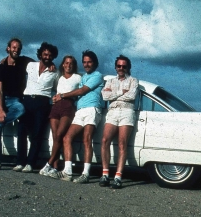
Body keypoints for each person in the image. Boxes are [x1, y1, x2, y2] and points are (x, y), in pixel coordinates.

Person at [49, 50, 104, 183]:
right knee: (67, 137)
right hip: (80, 110)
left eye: (89, 62)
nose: (86, 64)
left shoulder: (98, 75)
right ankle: (67, 171)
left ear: (95, 63)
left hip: (92, 109)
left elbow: (82, 91)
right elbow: (71, 84)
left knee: (87, 139)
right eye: (84, 62)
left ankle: (85, 174)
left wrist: (61, 95)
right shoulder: (83, 76)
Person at [0, 38, 32, 170]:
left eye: (18, 48)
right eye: (14, 47)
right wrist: (1, 110)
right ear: (8, 48)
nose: (16, 50)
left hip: (15, 100)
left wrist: (50, 65)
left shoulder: (23, 62)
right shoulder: (0, 67)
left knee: (21, 109)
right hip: (2, 98)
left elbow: (39, 64)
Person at [13, 42, 59, 173]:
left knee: (37, 134)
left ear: (53, 57)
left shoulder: (55, 72)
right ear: (40, 54)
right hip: (27, 99)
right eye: (45, 54)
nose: (47, 56)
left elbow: (56, 89)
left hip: (43, 102)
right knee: (21, 131)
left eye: (50, 55)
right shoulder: (30, 65)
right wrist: (5, 59)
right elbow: (17, 60)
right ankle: (20, 162)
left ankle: (30, 163)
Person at [99, 55, 138, 189]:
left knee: (122, 143)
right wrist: (122, 91)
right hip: (113, 111)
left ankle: (118, 176)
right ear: (116, 67)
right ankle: (105, 174)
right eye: (119, 66)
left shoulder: (133, 80)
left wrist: (114, 93)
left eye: (124, 66)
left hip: (127, 111)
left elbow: (132, 95)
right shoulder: (109, 81)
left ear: (128, 67)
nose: (121, 68)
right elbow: (105, 96)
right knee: (105, 140)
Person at [39, 55, 81, 177]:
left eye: (71, 63)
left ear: (74, 66)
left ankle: (49, 163)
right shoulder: (59, 76)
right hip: (56, 106)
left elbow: (80, 91)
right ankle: (55, 168)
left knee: (59, 135)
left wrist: (64, 96)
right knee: (55, 137)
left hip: (68, 106)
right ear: (63, 64)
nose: (68, 65)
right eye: (66, 63)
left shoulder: (78, 77)